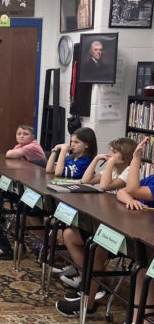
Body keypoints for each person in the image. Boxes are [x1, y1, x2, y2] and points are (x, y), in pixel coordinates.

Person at [54, 138, 137, 318]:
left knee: (97, 248)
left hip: (122, 229)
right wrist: (97, 159)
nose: (110, 155)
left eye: (114, 152)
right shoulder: (113, 168)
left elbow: (106, 185)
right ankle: (88, 281)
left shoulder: (130, 171)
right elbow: (86, 179)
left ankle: (89, 299)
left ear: (125, 156)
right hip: (107, 221)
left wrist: (110, 164)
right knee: (69, 234)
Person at [116, 137, 154, 323]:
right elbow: (123, 191)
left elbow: (132, 188)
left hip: (149, 239)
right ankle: (138, 318)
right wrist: (129, 200)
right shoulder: (152, 179)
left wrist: (136, 158)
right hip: (143, 235)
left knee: (143, 269)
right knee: (142, 268)